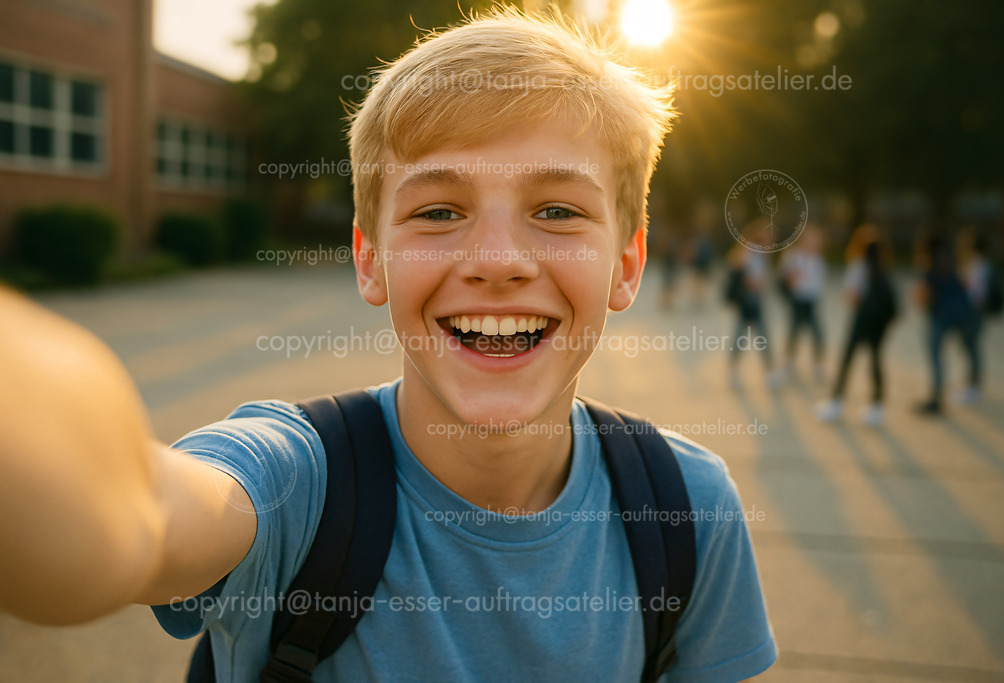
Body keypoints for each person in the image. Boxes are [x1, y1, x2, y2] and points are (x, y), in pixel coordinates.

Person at [0, 8, 777, 682]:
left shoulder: (688, 508)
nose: (497, 259)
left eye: (557, 210)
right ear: (370, 258)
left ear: (627, 264)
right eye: (438, 211)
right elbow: (133, 514)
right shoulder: (294, 486)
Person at [817, 239, 898, 426]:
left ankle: (836, 401)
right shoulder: (885, 268)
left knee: (848, 359)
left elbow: (852, 296)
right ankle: (877, 405)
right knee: (875, 360)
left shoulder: (858, 267)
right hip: (880, 324)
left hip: (862, 320)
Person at [913, 232, 981, 414]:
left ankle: (936, 397)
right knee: (969, 347)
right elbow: (965, 285)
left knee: (935, 354)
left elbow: (924, 295)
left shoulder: (929, 265)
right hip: (963, 314)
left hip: (940, 316)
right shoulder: (952, 262)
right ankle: (974, 384)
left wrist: (919, 298)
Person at [725, 225, 782, 390]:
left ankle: (767, 371)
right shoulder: (748, 253)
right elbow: (748, 278)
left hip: (756, 302)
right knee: (742, 337)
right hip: (747, 302)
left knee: (759, 337)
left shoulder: (762, 255)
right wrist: (757, 282)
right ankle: (734, 371)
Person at [779, 226, 826, 382]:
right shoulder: (793, 257)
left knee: (817, 334)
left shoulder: (818, 259)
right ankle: (789, 363)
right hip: (797, 300)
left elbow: (819, 282)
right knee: (794, 333)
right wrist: (793, 278)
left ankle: (817, 364)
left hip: (811, 301)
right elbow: (785, 278)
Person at [955, 226, 991, 404]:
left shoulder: (977, 264)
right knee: (970, 347)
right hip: (975, 312)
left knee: (971, 347)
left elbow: (977, 292)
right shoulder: (979, 263)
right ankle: (972, 385)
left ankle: (973, 387)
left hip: (974, 313)